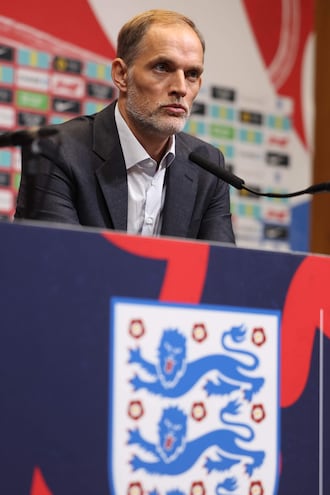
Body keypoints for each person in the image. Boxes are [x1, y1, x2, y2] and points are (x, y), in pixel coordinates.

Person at [15, 9, 235, 244]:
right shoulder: (56, 151)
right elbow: (57, 263)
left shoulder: (209, 167)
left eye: (191, 74)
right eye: (162, 67)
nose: (180, 88)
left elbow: (219, 271)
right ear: (121, 75)